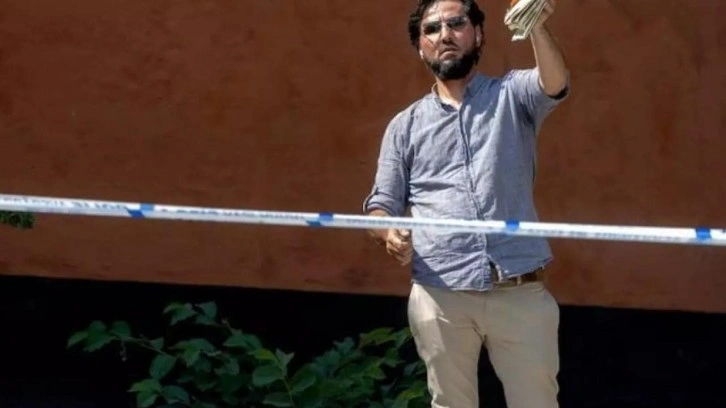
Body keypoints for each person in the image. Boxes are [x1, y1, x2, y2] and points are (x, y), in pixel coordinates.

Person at [362, 0, 570, 407]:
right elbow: (380, 204)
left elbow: (555, 83)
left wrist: (535, 26)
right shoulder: (405, 126)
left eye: (457, 23)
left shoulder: (512, 95)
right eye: (432, 29)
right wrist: (389, 233)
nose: (445, 35)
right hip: (439, 293)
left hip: (519, 287)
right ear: (420, 48)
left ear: (478, 34)